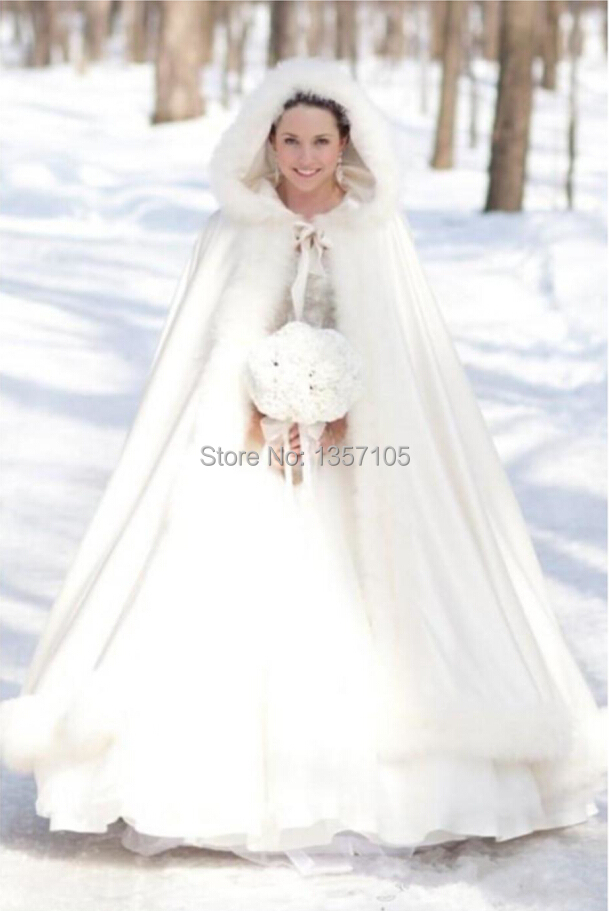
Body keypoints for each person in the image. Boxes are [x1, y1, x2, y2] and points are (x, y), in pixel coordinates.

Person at [0, 57, 605, 878]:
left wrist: (341, 418)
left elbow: (403, 361)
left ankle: (400, 769)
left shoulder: (374, 232)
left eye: (322, 140)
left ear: (346, 142)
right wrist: (256, 415)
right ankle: (213, 779)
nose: (307, 156)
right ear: (268, 142)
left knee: (371, 597)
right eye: (291, 140)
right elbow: (199, 361)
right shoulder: (231, 232)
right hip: (247, 456)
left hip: (358, 460)